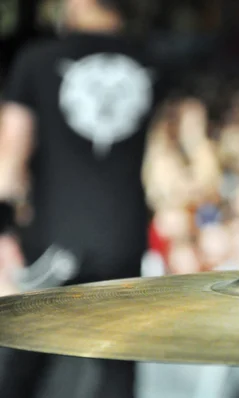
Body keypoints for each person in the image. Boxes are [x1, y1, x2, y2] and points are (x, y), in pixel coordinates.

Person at [0, 0, 176, 397]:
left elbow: (9, 153)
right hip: (123, 238)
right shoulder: (154, 62)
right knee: (118, 370)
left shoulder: (38, 60)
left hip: (52, 241)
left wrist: (3, 230)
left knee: (26, 364)